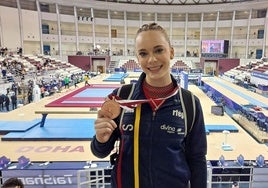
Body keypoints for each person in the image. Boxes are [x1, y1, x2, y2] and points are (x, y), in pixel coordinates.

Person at [91, 22, 207, 188]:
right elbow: (99, 151)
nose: (152, 59)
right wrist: (101, 139)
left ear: (171, 52)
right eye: (143, 53)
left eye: (159, 50)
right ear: (138, 59)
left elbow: (197, 160)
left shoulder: (190, 104)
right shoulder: (121, 98)